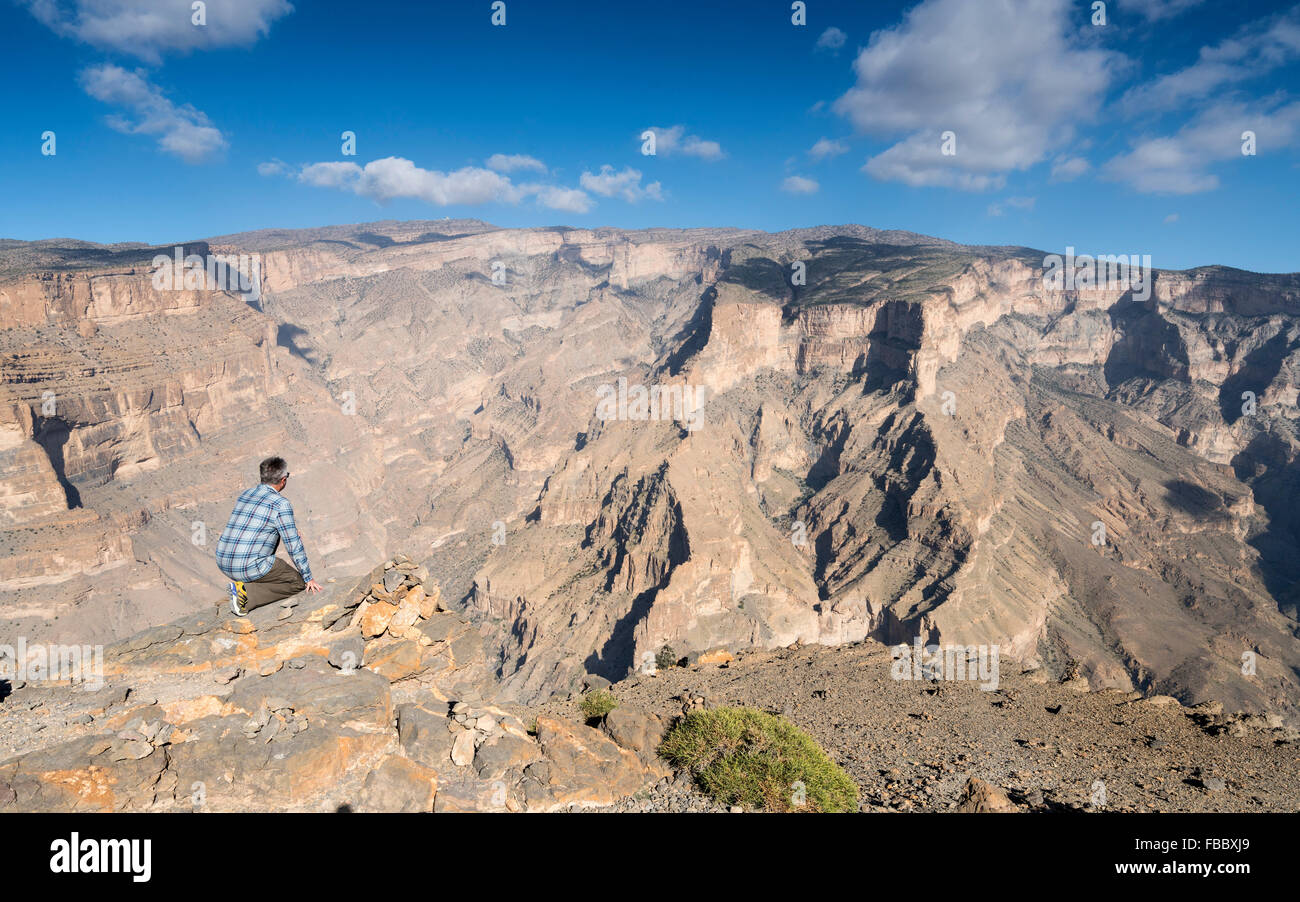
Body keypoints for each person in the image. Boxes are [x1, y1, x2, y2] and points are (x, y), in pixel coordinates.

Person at [216, 456, 322, 616]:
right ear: (283, 479)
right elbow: (293, 546)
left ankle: (243, 584)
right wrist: (308, 578)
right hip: (246, 566)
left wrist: (287, 530)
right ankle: (245, 594)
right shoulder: (281, 504)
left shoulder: (246, 494)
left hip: (224, 561)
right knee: (295, 583)